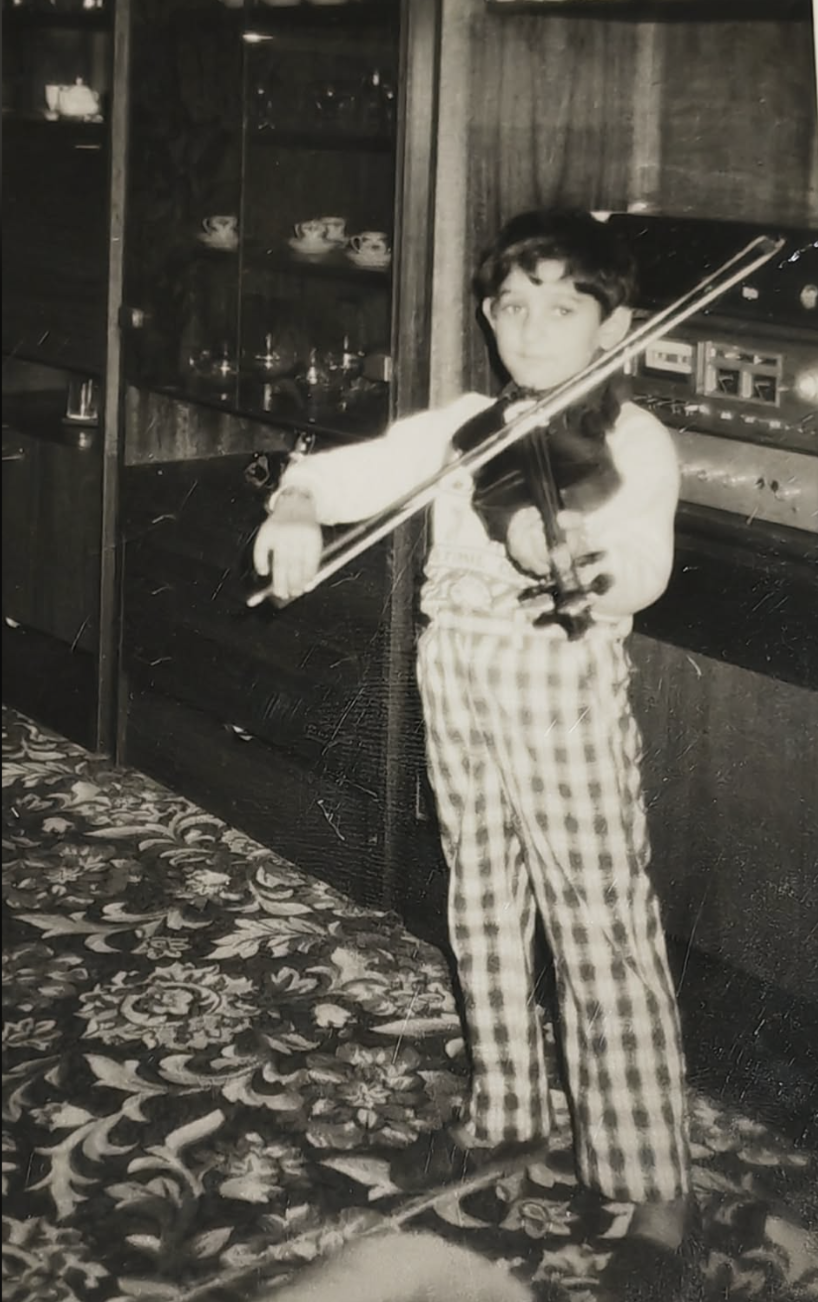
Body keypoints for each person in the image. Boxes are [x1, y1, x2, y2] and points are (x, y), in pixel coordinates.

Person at [252, 210, 700, 1301]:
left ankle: (656, 1187)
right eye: (511, 308)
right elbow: (351, 471)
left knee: (598, 920)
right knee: (482, 898)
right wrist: (297, 507)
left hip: (556, 687)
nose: (531, 332)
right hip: (453, 677)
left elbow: (640, 561)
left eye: (561, 309)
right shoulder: (469, 423)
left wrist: (576, 554)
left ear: (613, 327)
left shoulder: (631, 437)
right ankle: (504, 1108)